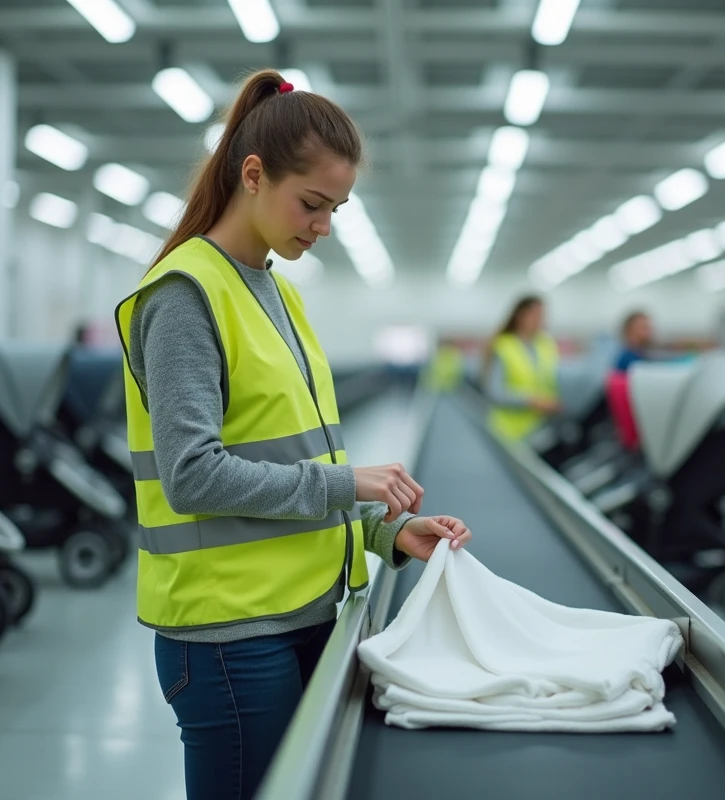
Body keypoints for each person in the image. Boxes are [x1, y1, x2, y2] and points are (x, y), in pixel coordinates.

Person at [114, 70, 472, 800]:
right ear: (253, 175)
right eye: (312, 203)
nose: (324, 226)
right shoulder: (185, 296)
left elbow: (293, 457)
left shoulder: (278, 294)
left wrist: (384, 530)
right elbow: (192, 475)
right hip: (229, 639)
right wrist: (351, 483)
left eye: (336, 208)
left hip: (300, 615)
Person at [480, 295, 561, 440]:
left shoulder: (546, 345)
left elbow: (549, 381)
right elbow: (495, 392)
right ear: (521, 316)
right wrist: (532, 401)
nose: (540, 320)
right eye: (535, 315)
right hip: (508, 431)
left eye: (542, 316)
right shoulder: (503, 345)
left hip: (538, 428)